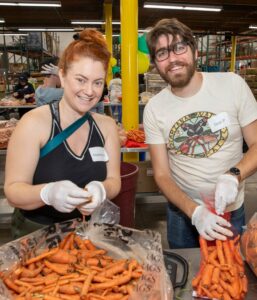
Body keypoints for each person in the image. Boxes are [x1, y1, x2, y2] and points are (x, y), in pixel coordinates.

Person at [143, 18, 257, 249]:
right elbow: (162, 175)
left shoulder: (232, 85)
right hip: (181, 214)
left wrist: (233, 175)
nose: (173, 59)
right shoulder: (154, 108)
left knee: (228, 276)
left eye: (179, 47)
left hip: (230, 210)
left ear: (195, 51)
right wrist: (194, 212)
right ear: (155, 63)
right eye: (162, 53)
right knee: (186, 278)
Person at [4, 28, 121, 239]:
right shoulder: (34, 123)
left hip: (89, 236)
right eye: (81, 79)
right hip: (37, 237)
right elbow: (13, 190)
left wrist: (101, 189)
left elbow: (114, 179)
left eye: (97, 82)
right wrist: (47, 193)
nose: (89, 91)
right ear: (63, 75)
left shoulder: (107, 126)